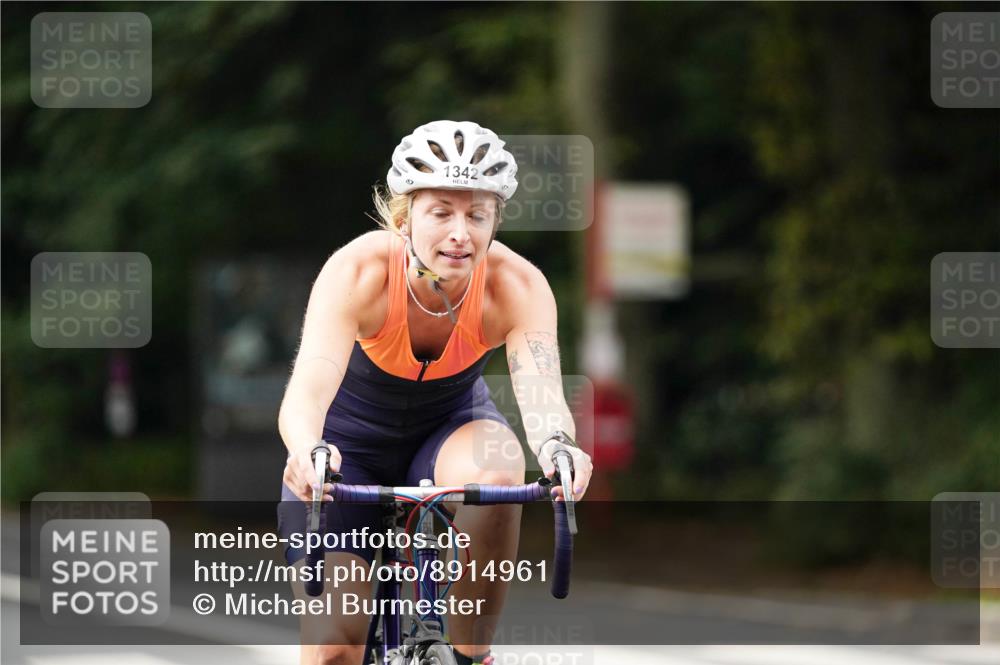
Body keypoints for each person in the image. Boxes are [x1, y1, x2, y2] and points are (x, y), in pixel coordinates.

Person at [277, 120, 593, 665]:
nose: (460, 233)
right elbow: (310, 382)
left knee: (498, 473)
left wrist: (560, 448)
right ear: (405, 219)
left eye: (477, 214)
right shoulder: (360, 270)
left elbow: (541, 393)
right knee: (333, 648)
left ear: (496, 220)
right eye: (441, 212)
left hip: (450, 430)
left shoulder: (516, 286)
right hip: (346, 449)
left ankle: (470, 656)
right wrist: (306, 447)